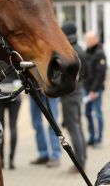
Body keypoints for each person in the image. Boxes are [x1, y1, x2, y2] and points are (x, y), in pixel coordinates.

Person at [61, 20, 87, 172]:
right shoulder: (80, 49)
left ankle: (80, 163)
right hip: (78, 92)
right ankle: (82, 159)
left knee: (74, 128)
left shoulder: (70, 52)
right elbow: (86, 74)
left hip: (70, 95)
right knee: (78, 126)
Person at [0, 61, 22, 170]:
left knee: (0, 128)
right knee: (13, 126)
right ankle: (11, 160)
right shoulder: (14, 56)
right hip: (15, 93)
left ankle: (1, 159)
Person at [84, 30, 107, 147]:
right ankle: (92, 137)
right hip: (86, 88)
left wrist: (94, 90)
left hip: (95, 89)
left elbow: (101, 74)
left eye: (88, 39)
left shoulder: (100, 53)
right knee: (87, 113)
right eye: (86, 39)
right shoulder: (87, 52)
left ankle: (99, 138)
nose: (86, 41)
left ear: (96, 40)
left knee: (97, 113)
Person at [29, 88, 61, 168]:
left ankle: (56, 156)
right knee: (36, 124)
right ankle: (43, 154)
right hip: (33, 89)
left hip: (50, 89)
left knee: (52, 123)